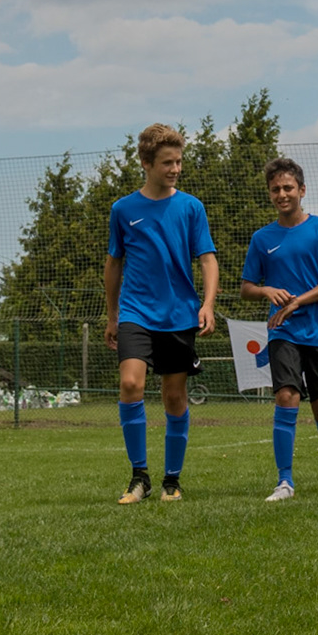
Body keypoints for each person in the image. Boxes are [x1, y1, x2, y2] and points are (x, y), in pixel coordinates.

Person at [105, 123, 218, 505]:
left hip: (179, 315)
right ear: (146, 163)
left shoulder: (191, 207)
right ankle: (139, 476)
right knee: (131, 385)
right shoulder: (122, 210)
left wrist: (207, 304)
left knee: (174, 397)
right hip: (136, 312)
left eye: (179, 161)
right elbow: (113, 264)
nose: (175, 169)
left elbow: (207, 259)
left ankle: (172, 479)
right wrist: (112, 315)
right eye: (168, 162)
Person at [240, 157, 318, 502]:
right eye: (276, 189)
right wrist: (265, 290)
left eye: (288, 188)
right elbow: (246, 287)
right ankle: (284, 482)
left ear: (302, 191)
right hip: (282, 331)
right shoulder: (262, 238)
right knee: (286, 395)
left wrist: (298, 300)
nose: (282, 194)